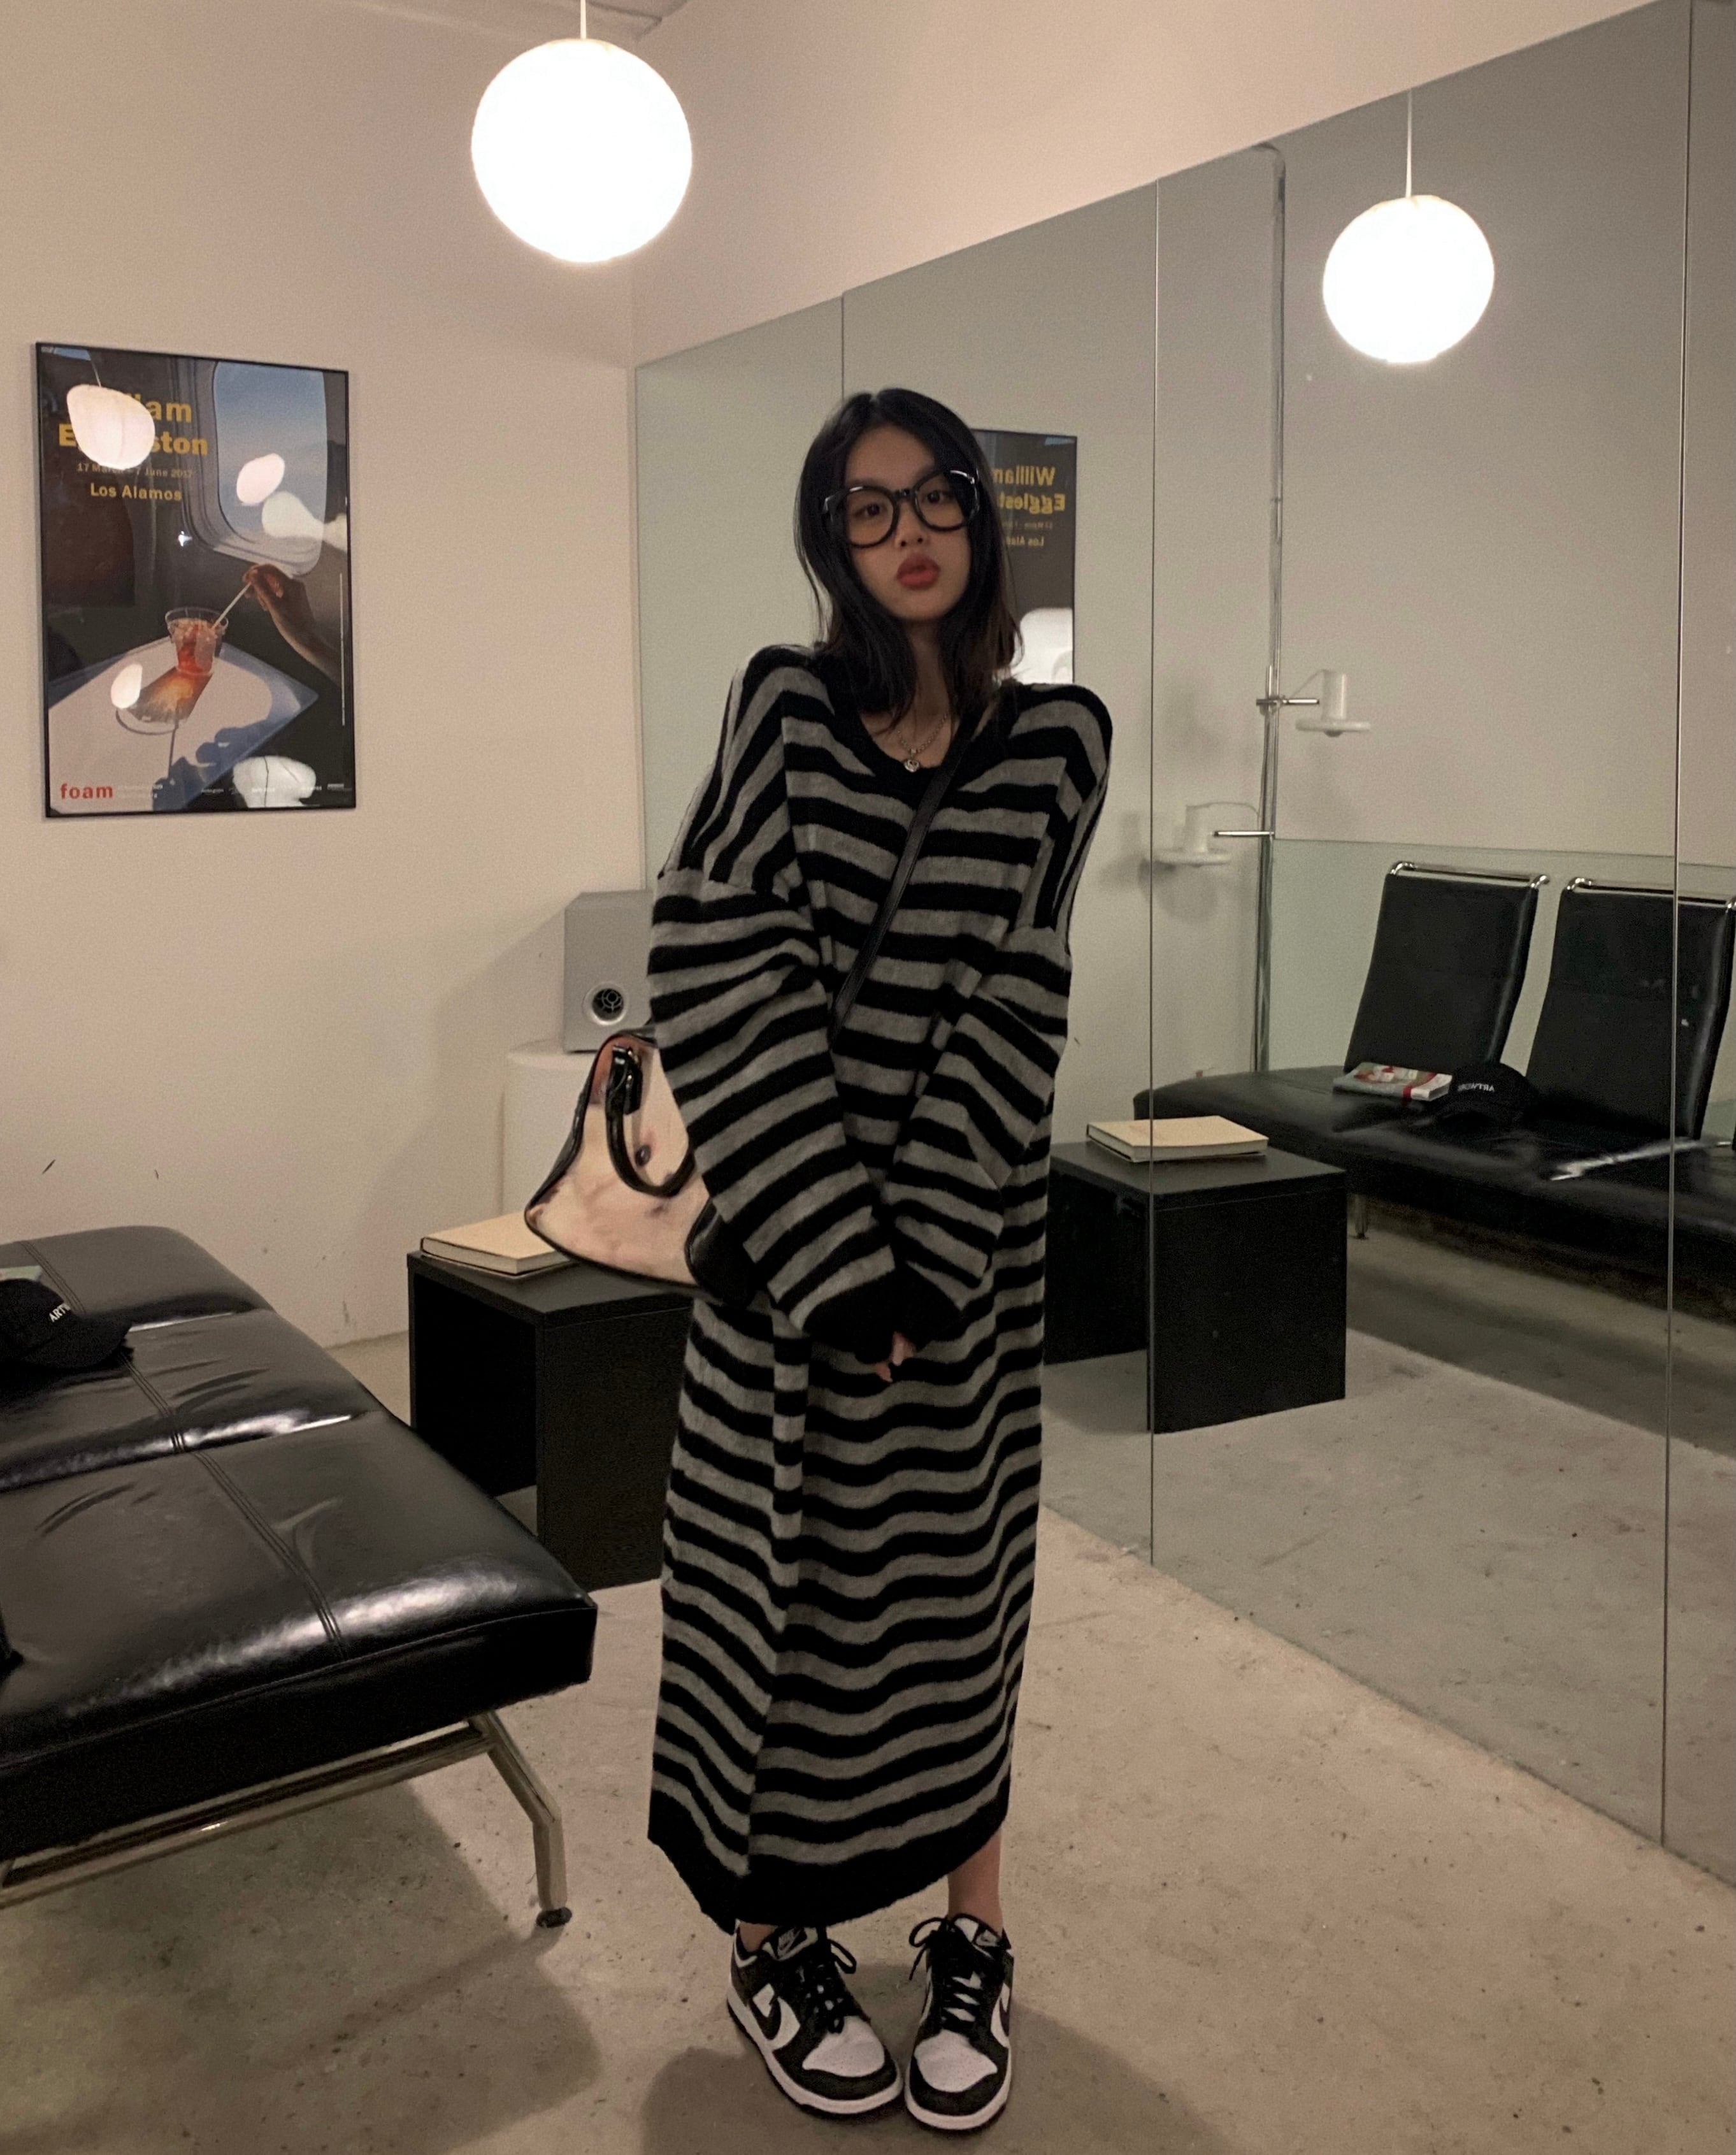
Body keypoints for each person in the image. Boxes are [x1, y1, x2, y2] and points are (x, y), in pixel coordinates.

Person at [645, 387, 1110, 2130]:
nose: (907, 532)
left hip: (970, 1264)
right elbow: (716, 960)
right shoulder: (782, 705)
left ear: (983, 514)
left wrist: (924, 1259)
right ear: (830, 540)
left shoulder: (1062, 743)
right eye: (867, 507)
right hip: (786, 1256)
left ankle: (972, 1931)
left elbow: (1019, 998)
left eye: (935, 498)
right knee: (776, 1599)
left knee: (958, 1596)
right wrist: (838, 1255)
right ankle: (773, 1938)